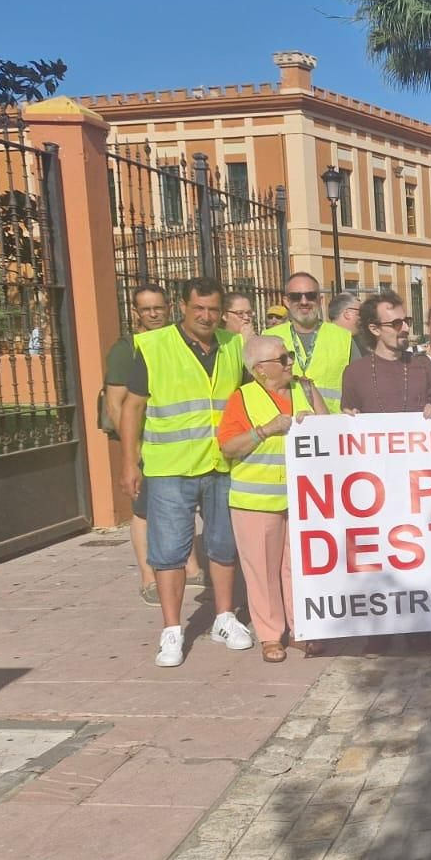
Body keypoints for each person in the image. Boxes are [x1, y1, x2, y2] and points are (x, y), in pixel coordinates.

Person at [118, 276, 253, 668]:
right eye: (199, 308)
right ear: (183, 307)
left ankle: (225, 618)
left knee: (223, 545)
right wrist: (130, 462)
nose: (206, 316)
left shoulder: (232, 345)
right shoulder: (153, 346)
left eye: (213, 309)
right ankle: (172, 630)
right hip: (170, 468)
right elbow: (132, 408)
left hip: (221, 463)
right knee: (169, 551)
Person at [218, 334, 329, 663]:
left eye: (290, 355)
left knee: (299, 568)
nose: (290, 362)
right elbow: (228, 447)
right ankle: (270, 635)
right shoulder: (243, 398)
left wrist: (316, 415)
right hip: (256, 502)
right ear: (260, 369)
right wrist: (264, 430)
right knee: (262, 572)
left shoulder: (303, 389)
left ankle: (301, 630)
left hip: (301, 500)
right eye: (283, 359)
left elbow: (329, 428)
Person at [103, 283, 204, 604]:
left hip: (177, 444)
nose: (153, 314)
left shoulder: (176, 342)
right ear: (136, 313)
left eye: (158, 307)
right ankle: (148, 577)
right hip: (148, 447)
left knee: (182, 507)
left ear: (170, 307)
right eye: (146, 309)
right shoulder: (127, 349)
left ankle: (190, 567)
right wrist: (132, 451)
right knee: (144, 511)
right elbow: (117, 403)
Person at [340, 294, 431, 415]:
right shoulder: (355, 372)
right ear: (375, 329)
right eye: (397, 324)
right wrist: (350, 417)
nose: (406, 329)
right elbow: (349, 420)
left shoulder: (423, 365)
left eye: (407, 321)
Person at [269, 273, 355, 412]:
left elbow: (361, 386)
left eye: (310, 296)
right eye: (296, 296)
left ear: (320, 300)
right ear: (286, 301)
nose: (304, 301)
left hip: (332, 426)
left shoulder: (343, 338)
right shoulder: (268, 337)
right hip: (285, 428)